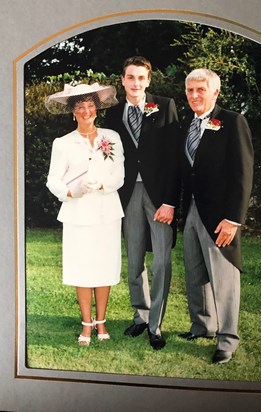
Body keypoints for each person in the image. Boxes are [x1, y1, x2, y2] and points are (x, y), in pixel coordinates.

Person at [103, 56, 180, 350]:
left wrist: (170, 201)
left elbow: (175, 158)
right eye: (130, 77)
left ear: (148, 80)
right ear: (122, 80)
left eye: (141, 78)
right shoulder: (113, 114)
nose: (136, 83)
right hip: (127, 195)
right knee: (134, 259)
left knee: (161, 260)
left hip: (160, 197)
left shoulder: (165, 106)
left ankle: (156, 325)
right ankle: (140, 315)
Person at [178, 68, 254, 364]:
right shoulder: (186, 125)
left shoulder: (233, 122)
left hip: (220, 216)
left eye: (200, 90)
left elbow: (243, 174)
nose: (195, 95)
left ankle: (227, 340)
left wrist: (233, 219)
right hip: (192, 211)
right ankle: (203, 326)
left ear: (215, 92)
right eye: (190, 91)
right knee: (195, 274)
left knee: (224, 280)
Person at [45, 82, 125, 346]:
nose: (86, 111)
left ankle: (101, 321)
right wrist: (72, 191)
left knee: (103, 266)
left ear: (97, 110)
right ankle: (86, 324)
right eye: (80, 108)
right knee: (82, 268)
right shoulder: (63, 143)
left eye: (90, 106)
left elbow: (119, 175)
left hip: (107, 212)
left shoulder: (111, 138)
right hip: (78, 214)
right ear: (73, 113)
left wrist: (102, 184)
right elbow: (53, 180)